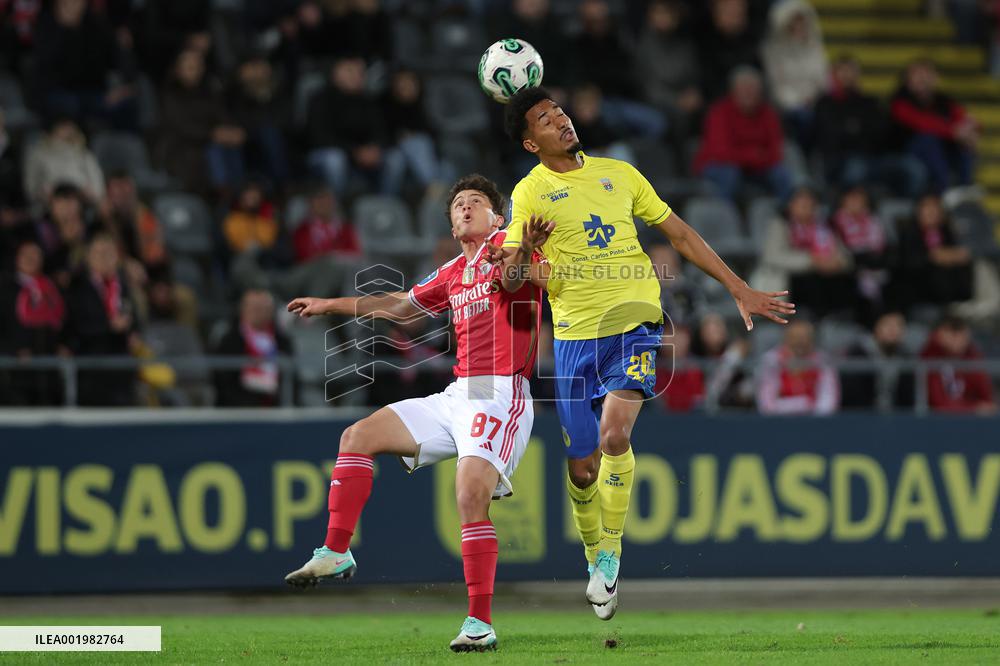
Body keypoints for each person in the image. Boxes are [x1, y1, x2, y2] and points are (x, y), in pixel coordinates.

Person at [496, 86, 794, 620]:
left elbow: (678, 234)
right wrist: (524, 245)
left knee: (616, 433)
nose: (561, 120)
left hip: (634, 323)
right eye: (545, 119)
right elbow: (510, 278)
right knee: (583, 466)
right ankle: (594, 553)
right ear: (530, 142)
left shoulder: (621, 173)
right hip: (573, 340)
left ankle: (609, 553)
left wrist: (737, 286)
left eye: (560, 111)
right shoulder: (528, 194)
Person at [283, 175, 548, 652]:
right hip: (457, 394)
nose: (465, 209)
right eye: (458, 205)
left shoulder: (510, 248)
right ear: (450, 224)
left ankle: (479, 623)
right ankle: (337, 551)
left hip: (501, 391)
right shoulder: (451, 271)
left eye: (476, 203)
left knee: (468, 496)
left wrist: (525, 251)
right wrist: (331, 305)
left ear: (498, 217)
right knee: (357, 436)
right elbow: (403, 308)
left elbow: (515, 280)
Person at [815, 56, 926, 197]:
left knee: (913, 168)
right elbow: (830, 136)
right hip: (841, 161)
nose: (847, 75)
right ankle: (852, 213)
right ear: (833, 74)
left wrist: (854, 129)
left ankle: (909, 209)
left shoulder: (870, 102)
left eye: (851, 70)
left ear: (858, 74)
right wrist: (858, 130)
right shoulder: (825, 103)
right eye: (843, 71)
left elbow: (881, 132)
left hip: (875, 159)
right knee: (856, 168)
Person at [694, 67, 792, 202]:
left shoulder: (768, 113)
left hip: (757, 167)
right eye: (744, 90)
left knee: (780, 174)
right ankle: (726, 218)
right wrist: (753, 155)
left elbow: (776, 152)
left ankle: (785, 216)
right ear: (733, 91)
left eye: (752, 90)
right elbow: (720, 153)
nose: (749, 94)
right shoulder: (719, 112)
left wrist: (757, 159)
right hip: (719, 165)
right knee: (729, 173)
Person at [64, 233, 140, 406]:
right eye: (100, 253)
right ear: (89, 258)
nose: (105, 258)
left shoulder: (122, 286)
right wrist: (110, 327)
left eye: (109, 253)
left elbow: (134, 318)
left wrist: (133, 332)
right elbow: (77, 326)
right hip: (92, 367)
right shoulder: (78, 286)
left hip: (121, 367)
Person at [755, 186, 854, 318]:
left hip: (829, 278)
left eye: (810, 204)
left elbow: (845, 255)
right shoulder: (781, 225)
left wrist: (837, 262)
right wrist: (810, 260)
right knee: (811, 285)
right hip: (794, 280)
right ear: (791, 205)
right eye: (801, 204)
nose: (806, 207)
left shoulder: (826, 226)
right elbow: (772, 257)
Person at [158, 48, 245, 194]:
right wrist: (212, 134)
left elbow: (222, 115)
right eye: (190, 68)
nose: (195, 71)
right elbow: (181, 127)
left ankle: (240, 192)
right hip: (183, 147)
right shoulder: (170, 95)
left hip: (211, 144)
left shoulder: (208, 91)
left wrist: (232, 131)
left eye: (198, 67)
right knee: (213, 152)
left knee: (232, 146)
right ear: (178, 70)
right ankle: (223, 194)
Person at [890, 60, 978, 191]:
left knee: (965, 145)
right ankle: (944, 187)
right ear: (907, 79)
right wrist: (954, 132)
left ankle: (965, 188)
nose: (923, 79)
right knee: (928, 140)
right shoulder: (899, 102)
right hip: (904, 153)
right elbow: (922, 123)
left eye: (927, 74)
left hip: (942, 149)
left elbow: (965, 119)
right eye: (918, 75)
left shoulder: (944, 100)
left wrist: (970, 131)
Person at [0, 240, 67, 405]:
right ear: (17, 258)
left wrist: (65, 345)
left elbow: (66, 321)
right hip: (16, 373)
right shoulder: (4, 288)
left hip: (50, 371)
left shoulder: (53, 287)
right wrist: (13, 351)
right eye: (26, 254)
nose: (30, 258)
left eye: (35, 254)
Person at [761, 0, 827, 148]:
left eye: (802, 22)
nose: (799, 27)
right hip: (786, 108)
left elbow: (823, 81)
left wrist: (812, 100)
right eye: (794, 23)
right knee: (801, 118)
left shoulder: (816, 49)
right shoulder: (772, 51)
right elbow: (776, 86)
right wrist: (798, 103)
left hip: (814, 105)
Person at [213, 288, 292, 407]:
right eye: (255, 308)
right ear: (243, 309)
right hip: (240, 407)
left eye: (264, 308)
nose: (259, 313)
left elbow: (291, 376)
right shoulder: (229, 340)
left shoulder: (283, 341)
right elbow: (223, 380)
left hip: (277, 404)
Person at [894, 193, 974, 309]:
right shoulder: (909, 233)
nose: (932, 212)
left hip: (953, 289)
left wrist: (952, 255)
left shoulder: (947, 232)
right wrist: (933, 256)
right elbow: (908, 262)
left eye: (936, 208)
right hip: (921, 293)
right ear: (918, 211)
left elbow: (958, 253)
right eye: (927, 207)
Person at [757, 319, 839, 415]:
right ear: (786, 339)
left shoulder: (823, 362)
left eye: (804, 337)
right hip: (779, 421)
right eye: (795, 337)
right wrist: (804, 403)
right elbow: (767, 405)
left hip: (813, 422)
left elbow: (828, 402)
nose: (800, 342)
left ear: (812, 340)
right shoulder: (772, 361)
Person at [920, 315, 996, 415]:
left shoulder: (972, 358)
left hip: (970, 423)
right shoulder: (929, 357)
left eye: (961, 334)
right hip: (937, 423)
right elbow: (937, 404)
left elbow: (986, 399)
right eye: (952, 333)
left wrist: (978, 408)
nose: (957, 340)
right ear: (939, 334)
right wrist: (973, 408)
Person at [841, 311, 915, 411]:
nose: (893, 330)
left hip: (897, 418)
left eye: (898, 326)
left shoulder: (907, 358)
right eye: (887, 325)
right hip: (863, 417)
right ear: (876, 328)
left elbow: (909, 399)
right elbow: (852, 397)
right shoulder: (858, 354)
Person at [23, 117, 105, 206]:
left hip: (81, 202)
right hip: (49, 203)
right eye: (62, 125)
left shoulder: (84, 154)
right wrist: (42, 194)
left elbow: (98, 188)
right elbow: (31, 187)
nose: (66, 130)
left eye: (68, 126)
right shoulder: (38, 154)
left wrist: (90, 194)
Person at [654, 325, 703, 412]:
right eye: (669, 333)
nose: (675, 339)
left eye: (680, 334)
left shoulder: (697, 370)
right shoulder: (651, 370)